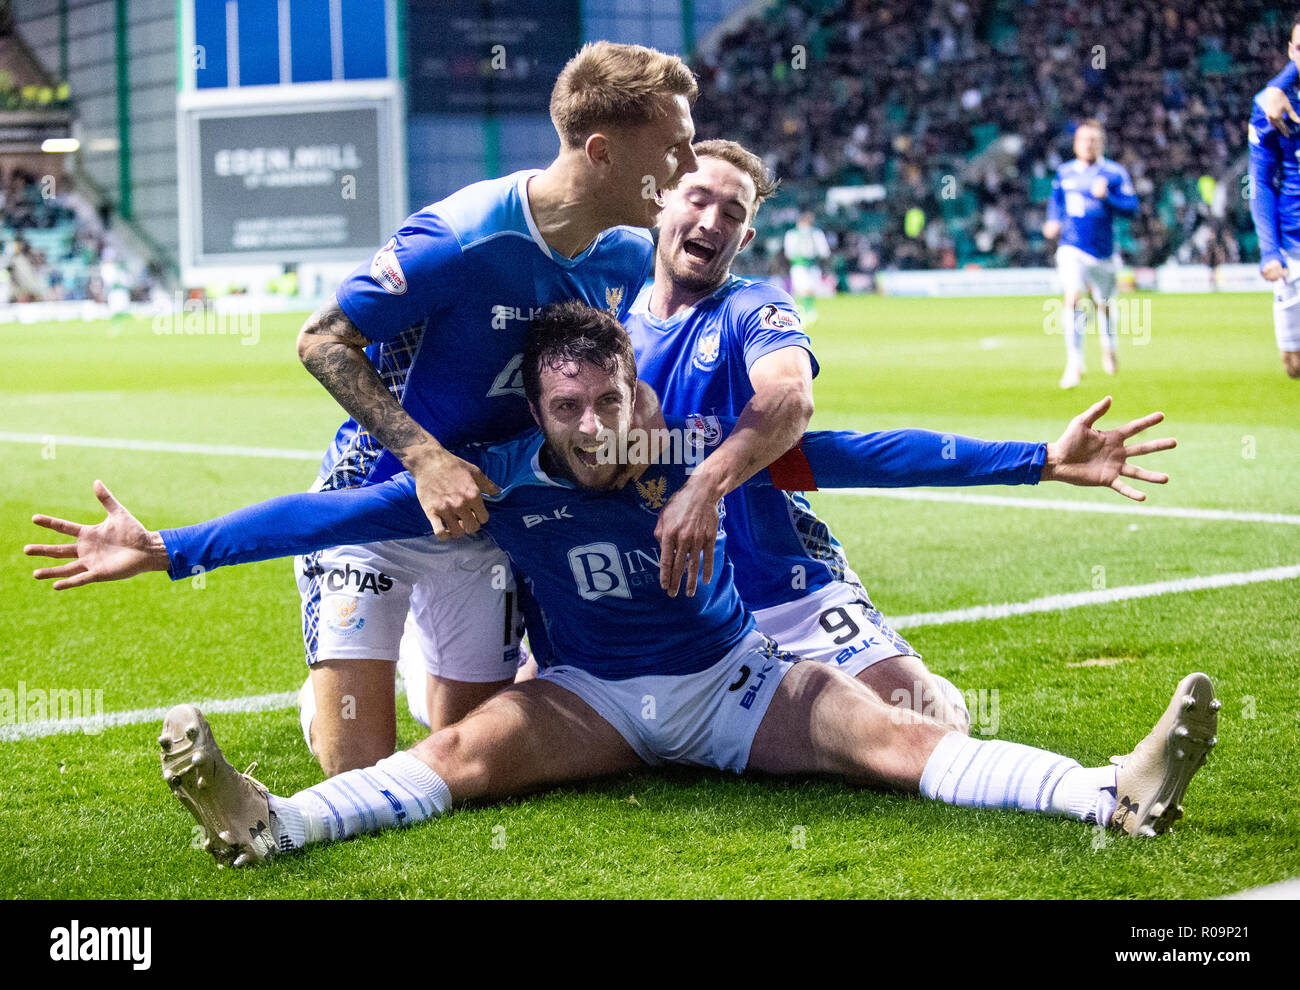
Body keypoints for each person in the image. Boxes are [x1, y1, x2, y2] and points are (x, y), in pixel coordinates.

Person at [27, 303, 1213, 868]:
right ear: (537, 410)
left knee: (898, 742)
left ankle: (1111, 790)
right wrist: (173, 546)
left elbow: (867, 450)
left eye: (609, 402)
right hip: (587, 699)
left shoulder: (692, 449)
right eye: (567, 409)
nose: (593, 427)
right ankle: (266, 823)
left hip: (736, 686)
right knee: (450, 761)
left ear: (633, 393)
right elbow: (322, 515)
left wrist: (1037, 461)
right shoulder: (490, 486)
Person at [630, 140, 1172, 732]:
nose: (713, 220)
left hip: (787, 592)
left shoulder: (754, 307)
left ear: (747, 240)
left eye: (733, 213)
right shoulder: (611, 327)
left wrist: (1040, 459)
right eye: (698, 199)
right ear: (660, 202)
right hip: (672, 599)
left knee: (934, 722)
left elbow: (801, 408)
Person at [281, 41, 700, 775]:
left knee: (460, 756)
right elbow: (321, 342)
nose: (687, 170)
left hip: (484, 523)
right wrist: (423, 458)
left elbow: (613, 375)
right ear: (603, 152)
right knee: (360, 772)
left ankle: (405, 659)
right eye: (674, 148)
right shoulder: (460, 237)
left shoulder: (627, 260)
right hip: (374, 502)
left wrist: (648, 417)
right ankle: (330, 693)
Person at [1042, 119, 1138, 389]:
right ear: (1076, 144)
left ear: (1101, 144)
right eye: (1084, 140)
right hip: (1071, 248)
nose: (1088, 144)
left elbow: (1131, 208)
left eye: (1093, 140)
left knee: (1104, 306)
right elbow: (1056, 202)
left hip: (1103, 253)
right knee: (1072, 298)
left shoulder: (1114, 173)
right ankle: (1074, 362)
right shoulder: (1064, 173)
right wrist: (1053, 220)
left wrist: (1108, 198)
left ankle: (1109, 347)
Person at [1249, 30, 1300, 380]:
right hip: (1293, 243)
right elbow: (1261, 184)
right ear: (1290, 50)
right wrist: (1270, 251)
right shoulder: (1270, 105)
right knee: (1293, 366)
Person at [782, 211, 831, 322]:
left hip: (809, 265)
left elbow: (824, 251)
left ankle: (808, 310)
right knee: (803, 289)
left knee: (810, 289)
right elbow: (824, 252)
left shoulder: (815, 234)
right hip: (800, 265)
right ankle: (804, 311)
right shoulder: (793, 234)